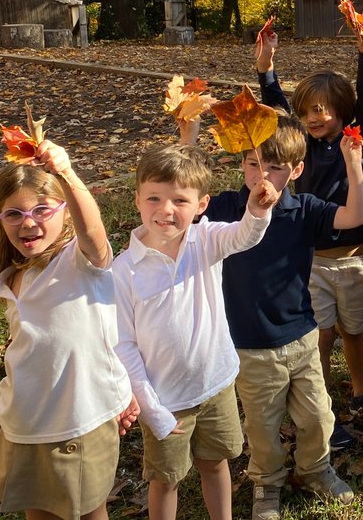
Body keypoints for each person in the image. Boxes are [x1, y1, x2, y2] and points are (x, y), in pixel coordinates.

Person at [205, 115, 363, 520]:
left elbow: (354, 218)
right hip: (250, 345)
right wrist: (188, 134)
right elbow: (186, 198)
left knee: (317, 416)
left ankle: (315, 470)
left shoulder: (303, 209)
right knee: (262, 426)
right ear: (241, 164)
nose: (262, 175)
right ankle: (267, 483)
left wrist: (353, 166)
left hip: (302, 337)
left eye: (274, 166)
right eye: (253, 163)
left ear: (295, 170)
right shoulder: (225, 208)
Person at [112, 144, 277, 520]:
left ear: (201, 204)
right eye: (153, 197)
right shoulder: (125, 271)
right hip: (166, 399)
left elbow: (244, 236)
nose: (165, 210)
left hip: (215, 385)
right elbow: (123, 344)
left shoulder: (205, 240)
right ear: (137, 199)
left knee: (215, 463)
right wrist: (153, 411)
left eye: (179, 200)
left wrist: (259, 209)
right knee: (166, 480)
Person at [0, 141, 136, 520]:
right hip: (26, 422)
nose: (29, 222)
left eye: (41, 210)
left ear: (64, 214)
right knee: (39, 510)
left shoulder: (81, 262)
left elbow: (94, 231)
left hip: (78, 420)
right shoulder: (11, 278)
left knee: (86, 511)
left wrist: (66, 173)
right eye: (14, 213)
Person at [254, 26, 363, 446]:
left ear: (342, 111)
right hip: (313, 261)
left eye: (323, 110)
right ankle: (320, 399)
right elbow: (277, 109)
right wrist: (266, 66)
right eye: (309, 110)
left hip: (354, 262)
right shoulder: (302, 146)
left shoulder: (359, 138)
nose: (315, 117)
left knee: (353, 331)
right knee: (322, 334)